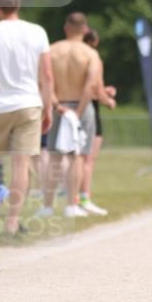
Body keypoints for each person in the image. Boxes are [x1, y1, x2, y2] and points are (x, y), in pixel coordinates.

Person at [0, 0, 53, 236]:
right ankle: (12, 222)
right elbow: (46, 75)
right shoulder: (37, 32)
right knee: (22, 164)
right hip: (29, 104)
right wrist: (48, 109)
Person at [40, 12, 98, 218]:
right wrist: (78, 112)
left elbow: (45, 81)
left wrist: (57, 106)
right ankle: (72, 205)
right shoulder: (90, 54)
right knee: (77, 157)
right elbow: (91, 85)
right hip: (80, 107)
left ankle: (47, 206)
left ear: (66, 27)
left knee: (54, 156)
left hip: (59, 107)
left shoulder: (53, 50)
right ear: (85, 30)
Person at [80, 27, 117, 215]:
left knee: (76, 157)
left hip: (72, 107)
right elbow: (95, 87)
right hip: (90, 109)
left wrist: (103, 91)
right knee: (88, 159)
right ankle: (84, 198)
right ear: (94, 42)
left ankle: (74, 199)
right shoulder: (93, 57)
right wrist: (108, 99)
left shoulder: (73, 55)